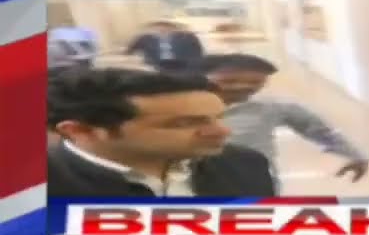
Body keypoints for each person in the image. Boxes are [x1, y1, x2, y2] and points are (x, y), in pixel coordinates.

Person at [47, 67, 276, 198]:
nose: (222, 131)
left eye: (218, 118)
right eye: (184, 123)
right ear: (81, 130)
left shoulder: (245, 164)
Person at [200, 53, 369, 187]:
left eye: (255, 82)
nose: (242, 86)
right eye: (229, 81)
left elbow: (319, 130)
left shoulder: (272, 108)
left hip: (255, 181)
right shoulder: (187, 107)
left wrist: (354, 154)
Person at [125, 20, 205, 72]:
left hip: (182, 64)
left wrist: (192, 66)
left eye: (166, 26)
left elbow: (198, 53)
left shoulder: (188, 37)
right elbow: (129, 52)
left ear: (173, 27)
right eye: (157, 26)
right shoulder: (144, 38)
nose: (162, 28)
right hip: (155, 66)